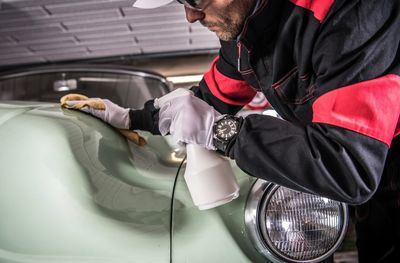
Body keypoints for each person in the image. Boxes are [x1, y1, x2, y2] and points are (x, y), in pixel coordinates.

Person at [65, 0, 400, 262]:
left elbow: (348, 166)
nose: (191, 16)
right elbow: (204, 101)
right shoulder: (246, 37)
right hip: (370, 179)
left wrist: (222, 132)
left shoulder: (351, 15)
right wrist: (134, 118)